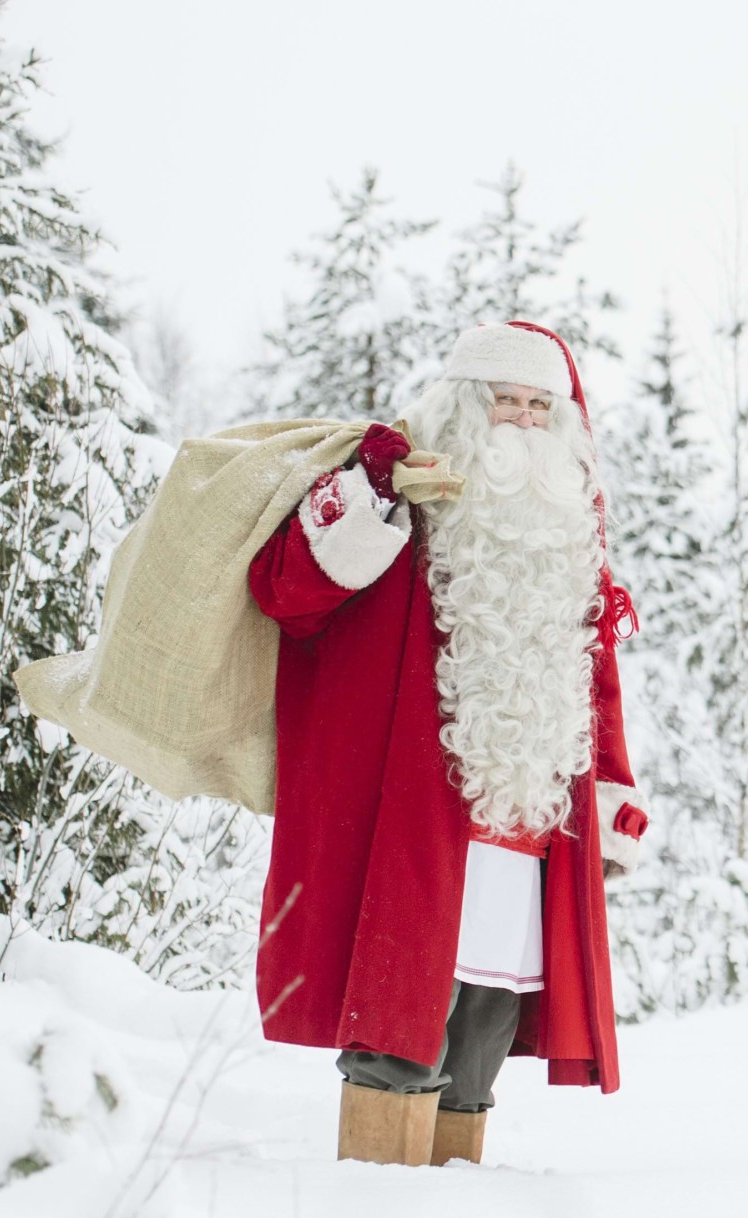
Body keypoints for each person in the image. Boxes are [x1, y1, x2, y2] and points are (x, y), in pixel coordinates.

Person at [245, 320, 650, 1167]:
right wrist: (378, 490)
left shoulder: (568, 534)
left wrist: (613, 789)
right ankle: (379, 1187)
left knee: (485, 1014)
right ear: (464, 406)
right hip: (408, 812)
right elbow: (286, 591)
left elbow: (595, 675)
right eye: (507, 400)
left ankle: (455, 1183)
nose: (525, 421)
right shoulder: (390, 486)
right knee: (399, 1001)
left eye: (542, 405)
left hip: (525, 819)